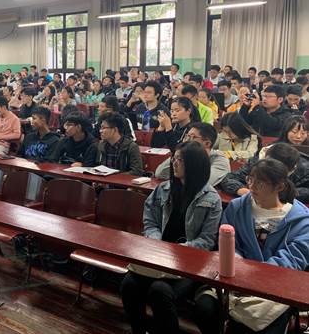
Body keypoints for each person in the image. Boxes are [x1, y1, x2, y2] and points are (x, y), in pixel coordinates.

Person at [195, 158, 309, 334]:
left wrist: (253, 277)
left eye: (260, 183)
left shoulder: (300, 220)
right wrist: (236, 264)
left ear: (279, 186)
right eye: (250, 179)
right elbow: (230, 245)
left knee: (261, 324)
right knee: (205, 307)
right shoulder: (237, 207)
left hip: (275, 286)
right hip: (235, 277)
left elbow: (293, 259)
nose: (252, 186)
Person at [121, 141, 222, 334]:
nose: (174, 163)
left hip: (190, 263)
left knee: (160, 290)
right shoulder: (163, 189)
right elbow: (150, 221)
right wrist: (157, 242)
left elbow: (207, 240)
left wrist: (177, 251)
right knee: (129, 284)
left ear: (194, 165)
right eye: (174, 158)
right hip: (158, 256)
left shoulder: (211, 198)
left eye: (180, 160)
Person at [219, 142, 309, 203]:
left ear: (292, 169)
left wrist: (277, 193)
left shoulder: (305, 170)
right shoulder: (259, 163)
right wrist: (244, 191)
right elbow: (230, 178)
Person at [155, 123, 230, 186]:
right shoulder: (183, 155)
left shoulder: (220, 160)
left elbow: (202, 182)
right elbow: (160, 173)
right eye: (187, 136)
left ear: (207, 143)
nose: (186, 141)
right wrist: (179, 154)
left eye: (192, 137)